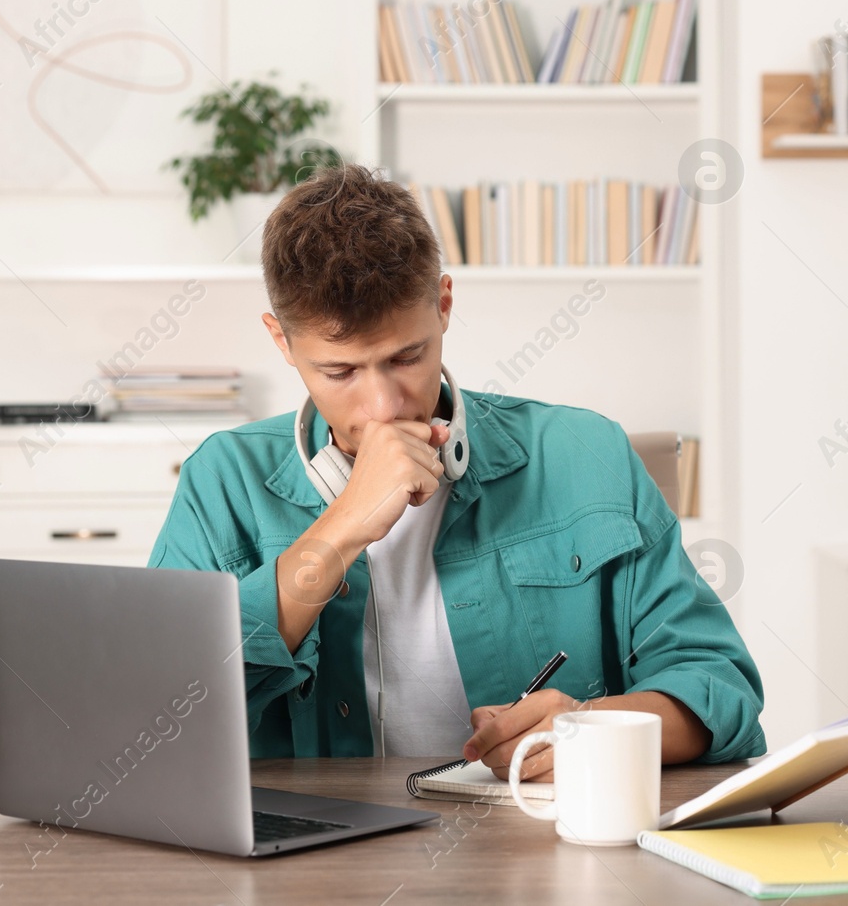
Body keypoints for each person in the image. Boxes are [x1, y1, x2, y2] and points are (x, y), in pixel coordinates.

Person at [148, 164, 764, 780]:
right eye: (340, 373)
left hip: (535, 850)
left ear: (443, 305)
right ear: (281, 342)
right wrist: (343, 528)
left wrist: (595, 730)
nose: (385, 407)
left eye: (407, 357)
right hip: (310, 865)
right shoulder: (221, 481)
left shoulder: (586, 452)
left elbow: (719, 688)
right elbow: (152, 717)